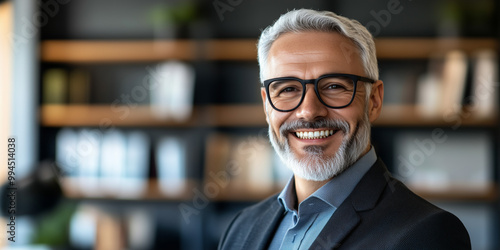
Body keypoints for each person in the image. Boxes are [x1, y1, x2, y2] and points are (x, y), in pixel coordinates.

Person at [218, 9, 471, 250]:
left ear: (374, 101)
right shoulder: (241, 228)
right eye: (287, 89)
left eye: (334, 87)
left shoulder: (426, 234)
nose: (308, 111)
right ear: (266, 105)